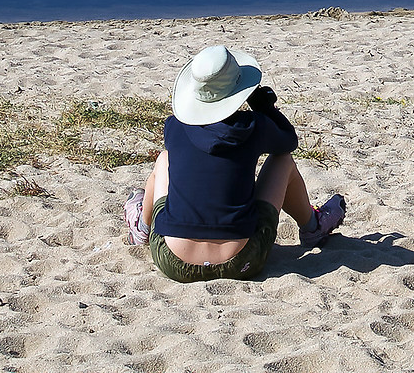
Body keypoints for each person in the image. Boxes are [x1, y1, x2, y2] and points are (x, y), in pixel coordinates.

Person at [123, 44, 345, 282]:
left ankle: (141, 229)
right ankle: (313, 228)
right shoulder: (253, 126)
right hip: (242, 260)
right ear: (238, 90)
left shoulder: (174, 126)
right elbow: (288, 141)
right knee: (284, 161)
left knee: (164, 159)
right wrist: (265, 108)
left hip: (173, 261)